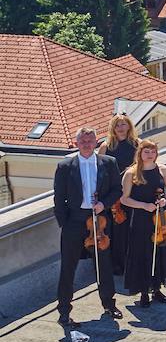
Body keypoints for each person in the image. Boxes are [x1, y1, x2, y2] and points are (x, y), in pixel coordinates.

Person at [53, 126, 122, 326]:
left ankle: (109, 304)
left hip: (99, 220)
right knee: (68, 267)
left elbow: (117, 190)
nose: (86, 144)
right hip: (74, 222)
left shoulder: (109, 163)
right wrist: (65, 225)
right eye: (83, 141)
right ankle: (64, 311)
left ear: (96, 143)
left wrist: (103, 204)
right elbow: (59, 199)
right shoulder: (65, 166)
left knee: (103, 265)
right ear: (77, 143)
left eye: (90, 140)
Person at [121, 140, 166, 307]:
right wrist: (143, 206)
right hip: (141, 218)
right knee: (142, 253)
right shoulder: (131, 173)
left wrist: (165, 200)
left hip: (161, 217)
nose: (150, 154)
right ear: (140, 153)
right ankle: (144, 292)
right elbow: (124, 199)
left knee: (161, 252)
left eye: (153, 151)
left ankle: (157, 289)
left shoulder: (163, 170)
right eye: (146, 151)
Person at [96, 114, 138, 277]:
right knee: (116, 230)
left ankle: (132, 262)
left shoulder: (137, 144)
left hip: (132, 192)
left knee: (131, 229)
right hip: (113, 195)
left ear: (129, 127)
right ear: (113, 128)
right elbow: (99, 173)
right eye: (117, 125)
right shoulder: (106, 147)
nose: (120, 128)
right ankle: (118, 264)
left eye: (123, 125)